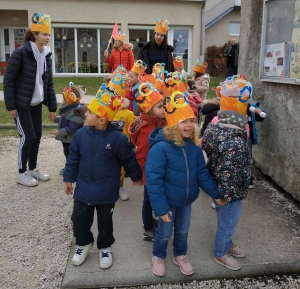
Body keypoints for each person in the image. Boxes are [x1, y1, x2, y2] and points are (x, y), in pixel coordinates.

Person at [145, 91, 224, 277]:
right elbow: (153, 182)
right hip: (167, 202)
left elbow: (202, 174)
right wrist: (161, 209)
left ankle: (180, 254)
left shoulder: (193, 147)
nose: (189, 125)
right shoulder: (160, 149)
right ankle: (158, 255)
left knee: (182, 230)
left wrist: (216, 193)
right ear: (172, 124)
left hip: (186, 199)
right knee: (164, 232)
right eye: (183, 121)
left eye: (191, 120)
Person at [64, 85, 142, 269]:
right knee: (79, 219)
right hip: (83, 189)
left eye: (89, 112)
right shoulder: (81, 135)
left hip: (106, 191)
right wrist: (68, 179)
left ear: (101, 120)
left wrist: (136, 176)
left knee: (105, 222)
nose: (85, 114)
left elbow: (129, 159)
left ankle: (105, 246)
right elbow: (73, 159)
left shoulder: (117, 139)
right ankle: (84, 243)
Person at [202, 79, 252, 271]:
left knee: (226, 220)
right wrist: (224, 194)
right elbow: (228, 171)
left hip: (223, 187)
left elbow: (207, 149)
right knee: (229, 221)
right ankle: (221, 252)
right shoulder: (234, 139)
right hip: (229, 192)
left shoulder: (215, 128)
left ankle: (227, 243)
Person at [3, 12, 57, 187]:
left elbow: (48, 82)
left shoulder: (46, 54)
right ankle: (21, 173)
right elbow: (9, 80)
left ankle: (32, 169)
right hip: (21, 104)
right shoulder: (21, 53)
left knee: (38, 135)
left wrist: (51, 107)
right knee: (28, 136)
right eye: (44, 34)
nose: (48, 37)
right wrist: (11, 105)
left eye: (49, 34)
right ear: (34, 35)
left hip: (36, 104)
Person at [128, 82, 166, 242]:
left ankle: (150, 221)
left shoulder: (157, 122)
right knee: (148, 201)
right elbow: (141, 154)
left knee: (153, 199)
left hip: (158, 169)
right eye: (160, 106)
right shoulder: (147, 129)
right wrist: (143, 176)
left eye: (163, 105)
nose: (164, 109)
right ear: (150, 110)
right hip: (150, 173)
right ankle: (148, 229)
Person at [52, 82, 87, 175]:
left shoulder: (75, 113)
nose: (63, 100)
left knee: (71, 155)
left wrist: (59, 132)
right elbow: (65, 120)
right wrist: (55, 119)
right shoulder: (69, 109)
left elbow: (71, 128)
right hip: (67, 139)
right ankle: (71, 167)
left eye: (64, 99)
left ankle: (72, 169)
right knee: (68, 153)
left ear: (69, 100)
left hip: (72, 140)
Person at [112, 98, 136, 200]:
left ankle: (119, 188)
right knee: (116, 167)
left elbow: (132, 129)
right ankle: (115, 189)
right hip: (115, 144)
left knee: (120, 167)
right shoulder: (110, 113)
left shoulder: (129, 114)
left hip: (120, 144)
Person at [246, 102, 266, 189]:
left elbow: (261, 117)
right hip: (233, 135)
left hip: (247, 136)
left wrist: (259, 112)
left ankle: (249, 180)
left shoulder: (249, 106)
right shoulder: (229, 104)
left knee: (248, 158)